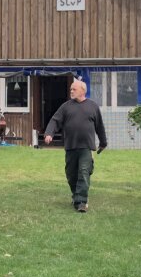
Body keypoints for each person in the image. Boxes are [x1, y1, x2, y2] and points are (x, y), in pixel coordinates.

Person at [43, 79, 107, 213]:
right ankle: (76, 195)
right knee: (71, 175)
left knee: (83, 173)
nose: (71, 91)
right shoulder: (66, 107)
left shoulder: (93, 106)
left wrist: (103, 142)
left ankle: (81, 202)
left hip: (86, 147)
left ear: (83, 91)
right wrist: (49, 133)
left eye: (74, 89)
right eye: (71, 89)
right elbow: (55, 120)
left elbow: (99, 126)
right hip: (71, 146)